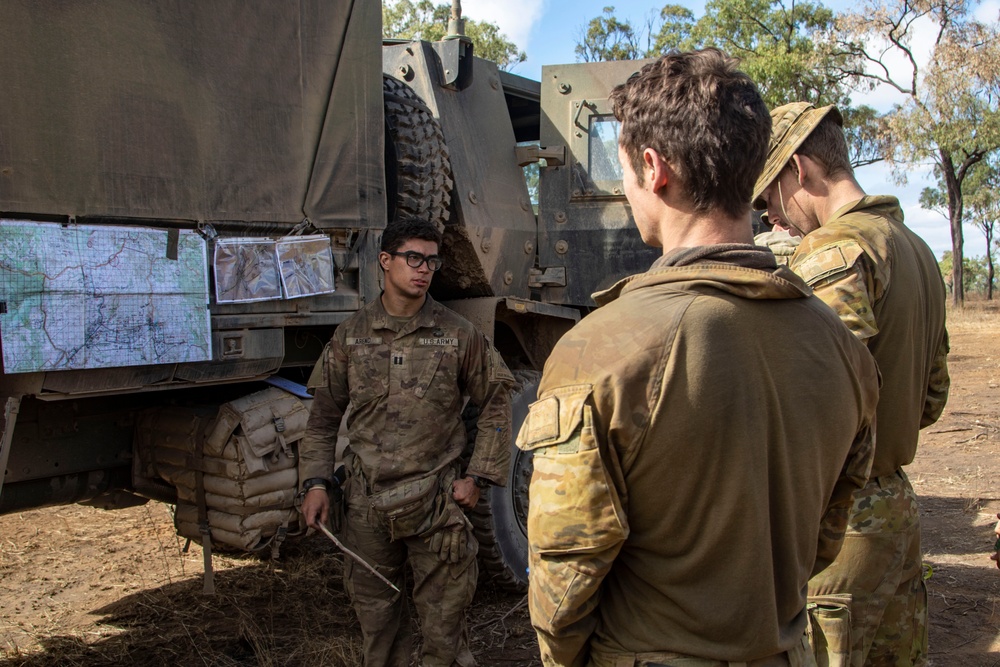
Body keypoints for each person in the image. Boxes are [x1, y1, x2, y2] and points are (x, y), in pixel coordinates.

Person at [518, 49, 879, 667]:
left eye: (625, 169)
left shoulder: (599, 351)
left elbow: (565, 577)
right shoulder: (842, 346)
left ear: (655, 169)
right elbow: (825, 535)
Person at [753, 102, 951, 666]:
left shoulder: (836, 250)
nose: (775, 218)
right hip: (897, 512)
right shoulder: (915, 248)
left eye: (770, 197)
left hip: (840, 521)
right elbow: (932, 400)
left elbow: (823, 403)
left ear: (799, 168)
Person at [298, 218, 514, 667]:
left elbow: (496, 403)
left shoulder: (458, 333)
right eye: (413, 258)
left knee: (445, 626)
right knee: (377, 625)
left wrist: (477, 478)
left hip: (436, 504)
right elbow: (322, 419)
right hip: (365, 506)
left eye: (431, 261)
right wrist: (315, 483)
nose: (424, 269)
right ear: (385, 261)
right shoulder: (351, 335)